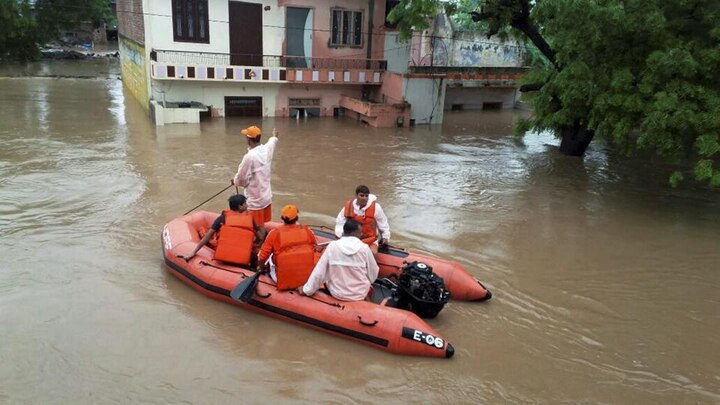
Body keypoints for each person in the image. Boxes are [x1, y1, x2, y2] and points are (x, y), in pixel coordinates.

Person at [299, 219, 379, 301]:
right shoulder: (364, 248)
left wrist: (307, 290)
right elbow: (373, 273)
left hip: (337, 293)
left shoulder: (332, 246)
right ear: (354, 233)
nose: (362, 234)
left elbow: (319, 273)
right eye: (360, 232)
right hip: (359, 294)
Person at [182, 194, 265, 266]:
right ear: (240, 206)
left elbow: (208, 235)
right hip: (245, 259)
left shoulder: (222, 218)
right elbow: (259, 237)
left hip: (224, 257)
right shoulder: (250, 219)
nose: (247, 205)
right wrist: (257, 242)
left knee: (208, 235)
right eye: (245, 203)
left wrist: (193, 252)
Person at [257, 204, 318, 290]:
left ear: (282, 218)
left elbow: (262, 257)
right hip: (307, 278)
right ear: (297, 218)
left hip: (281, 278)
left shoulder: (274, 233)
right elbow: (315, 247)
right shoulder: (307, 231)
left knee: (270, 257)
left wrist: (260, 267)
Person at [232, 125, 279, 225]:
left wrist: (235, 181)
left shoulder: (249, 157)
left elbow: (241, 179)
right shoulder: (267, 149)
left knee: (256, 227)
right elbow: (272, 142)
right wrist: (274, 136)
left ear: (249, 140)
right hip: (267, 198)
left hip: (255, 201)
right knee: (262, 224)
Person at [334, 185, 390, 252]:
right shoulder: (348, 207)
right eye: (362, 195)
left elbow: (383, 223)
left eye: (366, 196)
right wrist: (341, 236)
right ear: (356, 195)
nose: (364, 198)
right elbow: (340, 222)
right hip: (351, 239)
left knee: (373, 252)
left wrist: (385, 237)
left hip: (369, 239)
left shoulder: (376, 208)